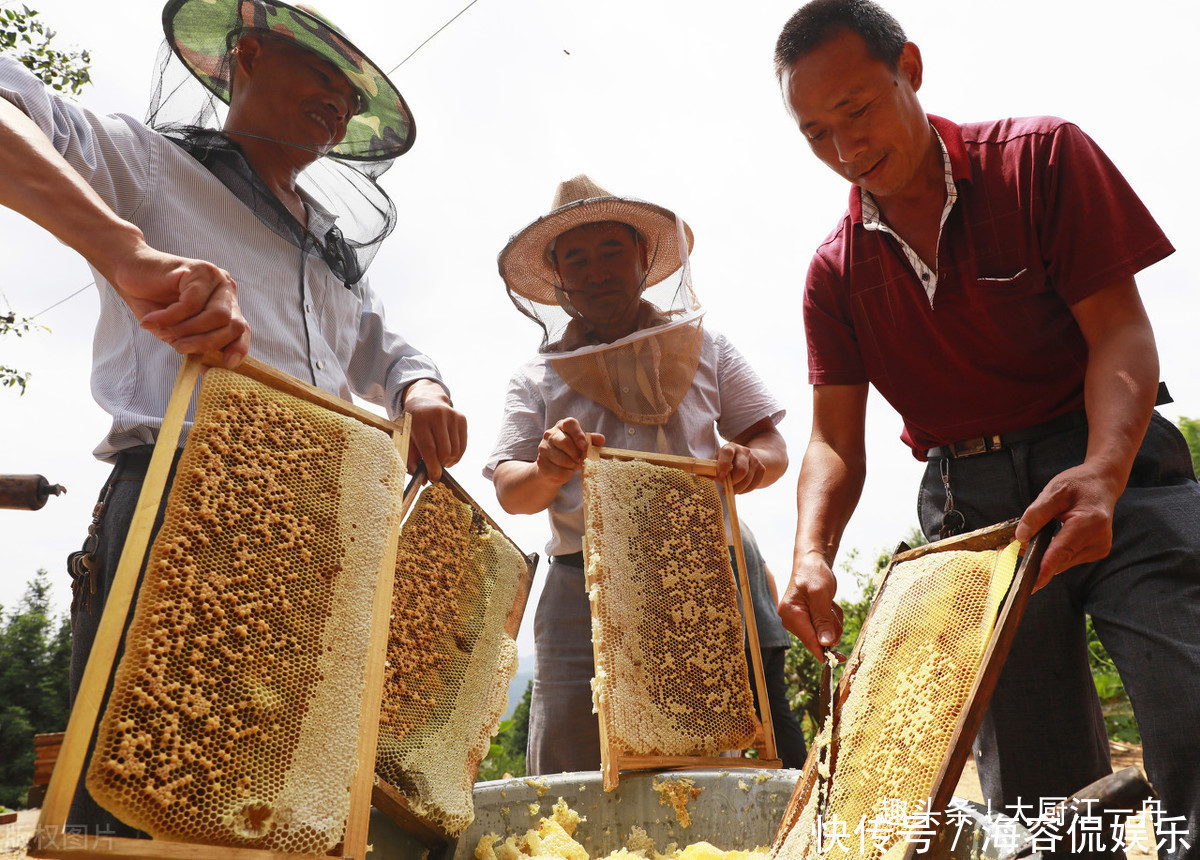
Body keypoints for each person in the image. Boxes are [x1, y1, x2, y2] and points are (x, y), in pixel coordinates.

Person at [1, 0, 466, 835]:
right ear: (246, 55)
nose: (339, 101)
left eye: (351, 96)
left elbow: (384, 347)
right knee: (145, 808)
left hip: (321, 545)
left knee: (274, 815)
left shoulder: (332, 252)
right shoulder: (148, 163)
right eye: (321, 72)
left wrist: (421, 389)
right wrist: (124, 250)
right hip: (187, 507)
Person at [772, 1, 1199, 857]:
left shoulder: (1042, 159)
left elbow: (1120, 332)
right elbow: (833, 442)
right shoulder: (834, 272)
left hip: (1109, 463)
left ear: (910, 69)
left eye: (857, 110)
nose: (845, 148)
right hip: (973, 516)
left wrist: (1104, 473)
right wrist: (811, 552)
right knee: (1039, 791)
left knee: (1188, 693)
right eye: (817, 133)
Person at [485, 175, 789, 775]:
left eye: (611, 251)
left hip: (697, 577)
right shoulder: (537, 377)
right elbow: (511, 491)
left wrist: (751, 463)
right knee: (571, 777)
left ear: (643, 257)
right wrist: (547, 468)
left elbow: (769, 443)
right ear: (557, 276)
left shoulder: (706, 347)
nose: (596, 271)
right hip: (582, 585)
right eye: (577, 259)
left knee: (708, 767)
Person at [737, 523, 808, 769]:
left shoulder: (717, 519)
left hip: (745, 636)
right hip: (770, 631)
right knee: (777, 714)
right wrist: (776, 624)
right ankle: (801, 775)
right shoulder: (742, 526)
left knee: (730, 713)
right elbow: (768, 575)